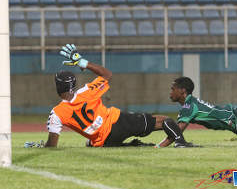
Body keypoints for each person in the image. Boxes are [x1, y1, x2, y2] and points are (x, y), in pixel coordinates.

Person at [38, 44, 196, 148]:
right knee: (164, 120)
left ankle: (139, 146)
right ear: (73, 84)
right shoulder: (87, 91)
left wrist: (41, 146)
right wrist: (82, 62)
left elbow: (52, 145)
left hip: (103, 140)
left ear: (57, 88)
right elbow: (107, 74)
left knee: (93, 143)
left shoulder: (56, 113)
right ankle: (180, 142)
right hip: (118, 121)